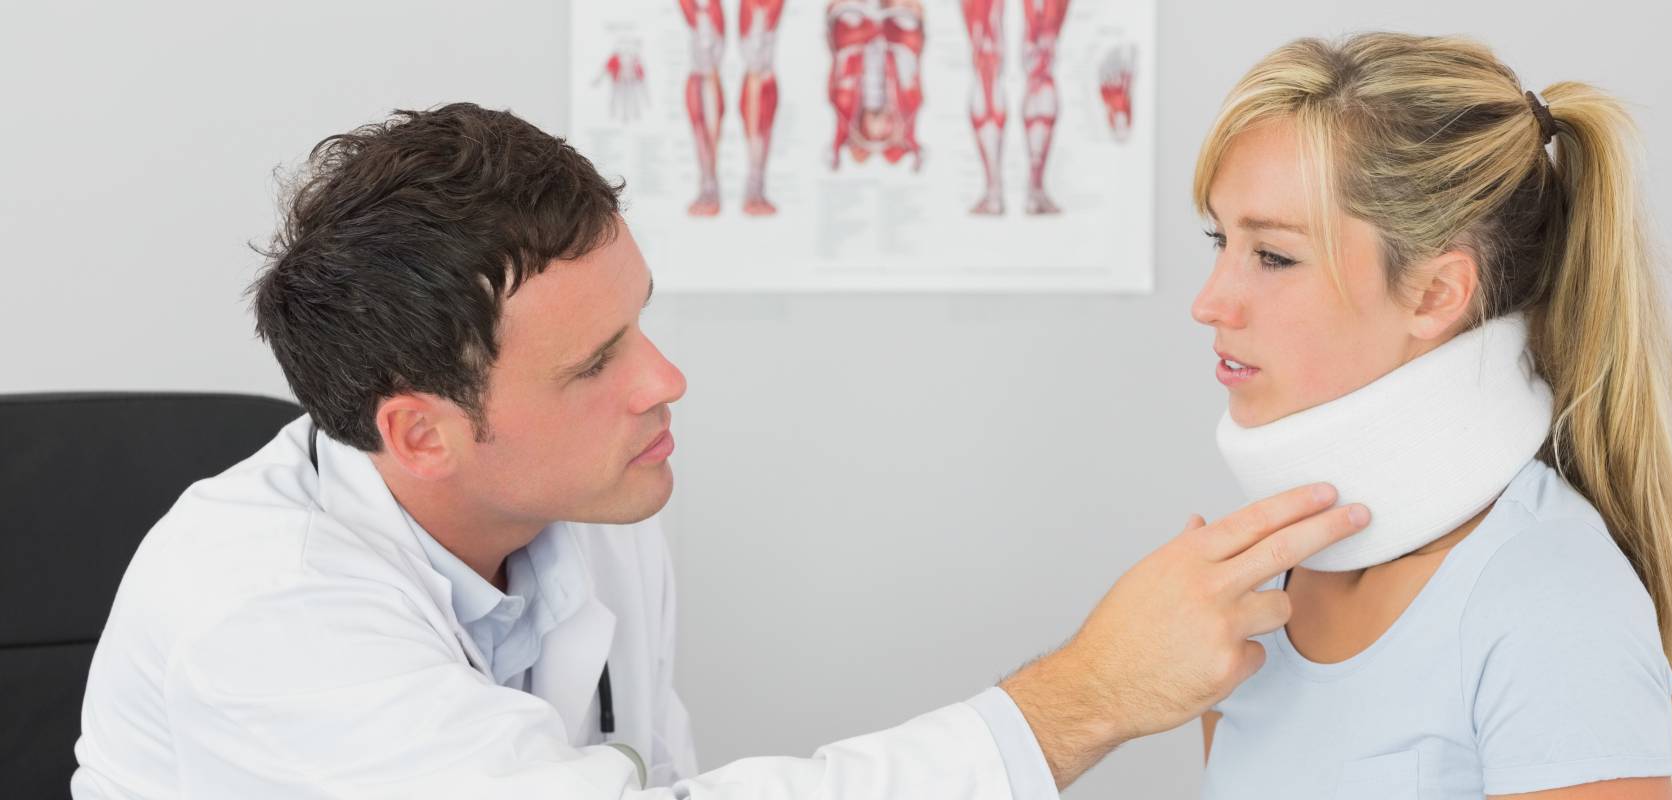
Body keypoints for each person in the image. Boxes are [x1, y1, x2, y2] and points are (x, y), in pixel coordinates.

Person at [70, 103, 1368, 799]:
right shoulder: (261, 619)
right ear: (421, 433)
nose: (664, 381)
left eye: (641, 322)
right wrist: (1082, 698)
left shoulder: (585, 511)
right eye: (595, 365)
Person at [1186, 33, 1672, 798]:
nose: (1209, 302)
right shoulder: (1248, 595)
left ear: (1437, 293)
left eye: (1272, 256)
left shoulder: (1553, 604)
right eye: (1219, 239)